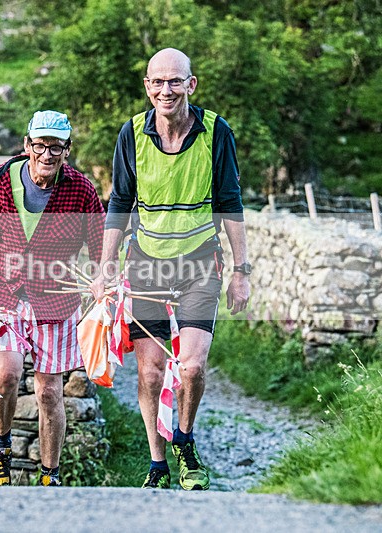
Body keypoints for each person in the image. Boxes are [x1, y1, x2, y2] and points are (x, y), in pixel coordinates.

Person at [91, 48, 250, 490]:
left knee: (193, 368)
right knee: (150, 372)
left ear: (191, 85)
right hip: (146, 265)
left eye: (175, 81)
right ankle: (157, 462)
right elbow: (120, 203)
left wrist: (242, 271)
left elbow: (231, 204)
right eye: (158, 82)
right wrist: (106, 267)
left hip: (201, 262)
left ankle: (184, 439)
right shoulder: (132, 134)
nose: (166, 89)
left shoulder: (216, 132)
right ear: (147, 86)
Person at [0, 110, 104, 486]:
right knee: (5, 376)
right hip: (5, 295)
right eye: (40, 145)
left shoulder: (81, 189)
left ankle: (49, 474)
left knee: (50, 391)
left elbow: (101, 240)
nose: (47, 154)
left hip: (56, 301)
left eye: (56, 147)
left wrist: (103, 276)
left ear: (67, 150)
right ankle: (2, 448)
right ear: (27, 146)